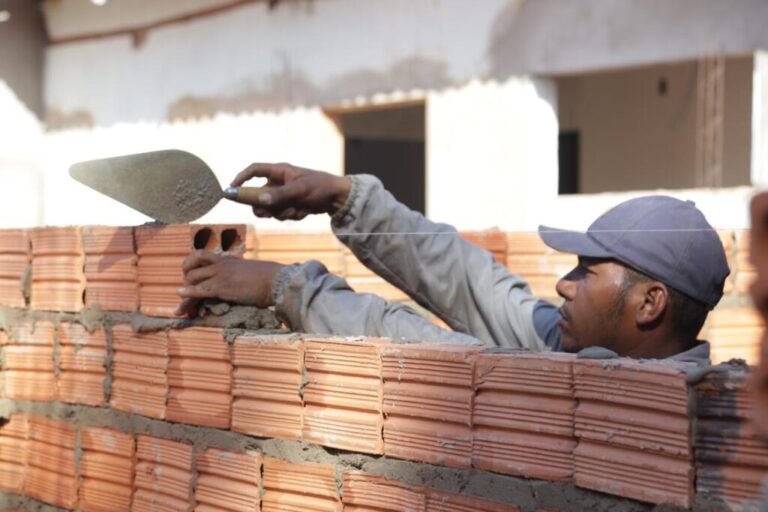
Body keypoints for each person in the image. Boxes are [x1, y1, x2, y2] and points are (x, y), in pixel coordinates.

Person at [176, 163, 730, 362]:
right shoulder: (587, 345)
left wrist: (287, 287)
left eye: (588, 271)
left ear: (650, 303)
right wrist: (347, 198)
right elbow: (472, 282)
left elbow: (440, 354)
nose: (564, 285)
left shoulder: (630, 403)